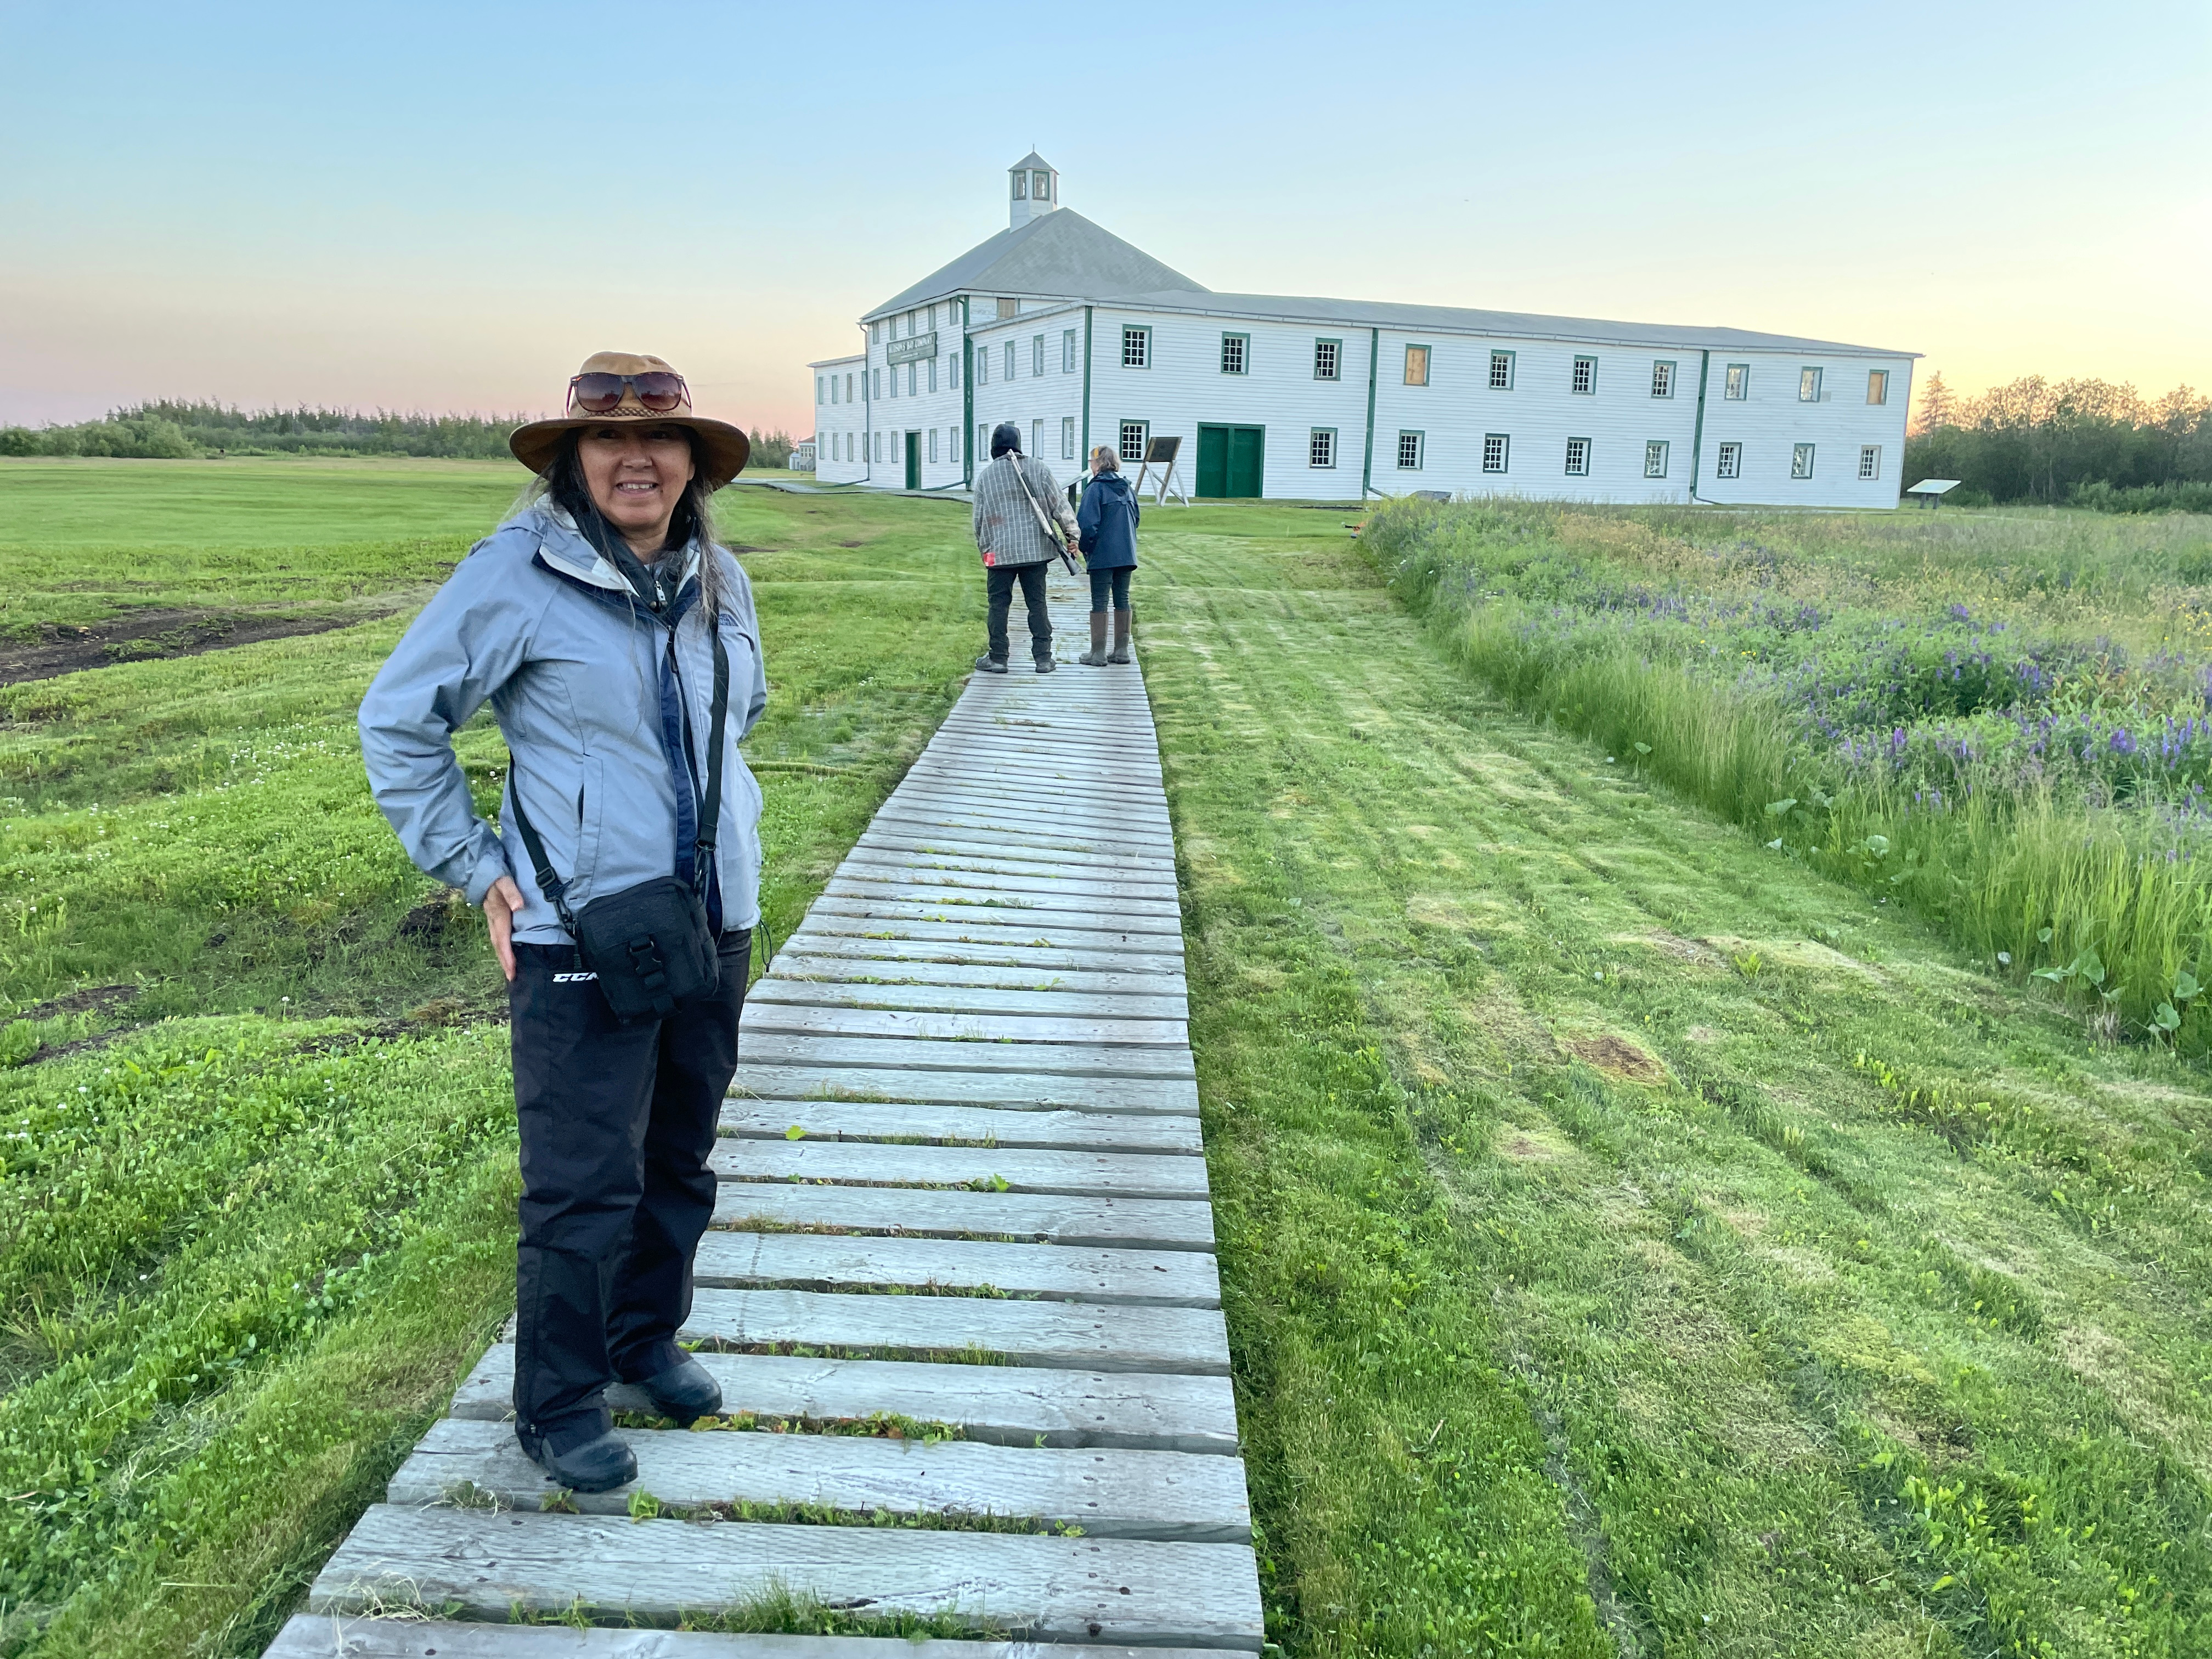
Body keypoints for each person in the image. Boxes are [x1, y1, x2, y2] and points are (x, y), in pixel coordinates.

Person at [358, 352, 769, 1493]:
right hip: (578, 935)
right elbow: (399, 722)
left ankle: (645, 1342)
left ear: (695, 465)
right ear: (572, 463)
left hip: (710, 924)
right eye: (609, 442)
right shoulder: (513, 577)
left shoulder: (721, 581)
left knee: (678, 1161)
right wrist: (477, 867)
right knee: (585, 1182)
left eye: (664, 440)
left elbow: (745, 713)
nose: (638, 458)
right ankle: (559, 1403)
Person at [970, 421, 1079, 674]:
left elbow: (979, 521)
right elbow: (1060, 506)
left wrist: (985, 551)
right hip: (1036, 551)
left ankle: (998, 658)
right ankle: (1043, 658)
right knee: (1037, 604)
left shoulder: (986, 477)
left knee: (998, 605)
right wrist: (1073, 535)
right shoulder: (1039, 469)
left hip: (999, 553)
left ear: (993, 448)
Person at [1075, 445, 1139, 666]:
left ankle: (1098, 654)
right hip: (1127, 554)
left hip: (1103, 555)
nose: (1090, 466)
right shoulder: (1128, 489)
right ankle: (1121, 651)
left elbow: (1086, 525)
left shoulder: (1095, 489)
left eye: (1091, 462)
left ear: (1099, 464)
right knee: (1123, 599)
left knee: (1100, 601)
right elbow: (1136, 520)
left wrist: (1084, 548)